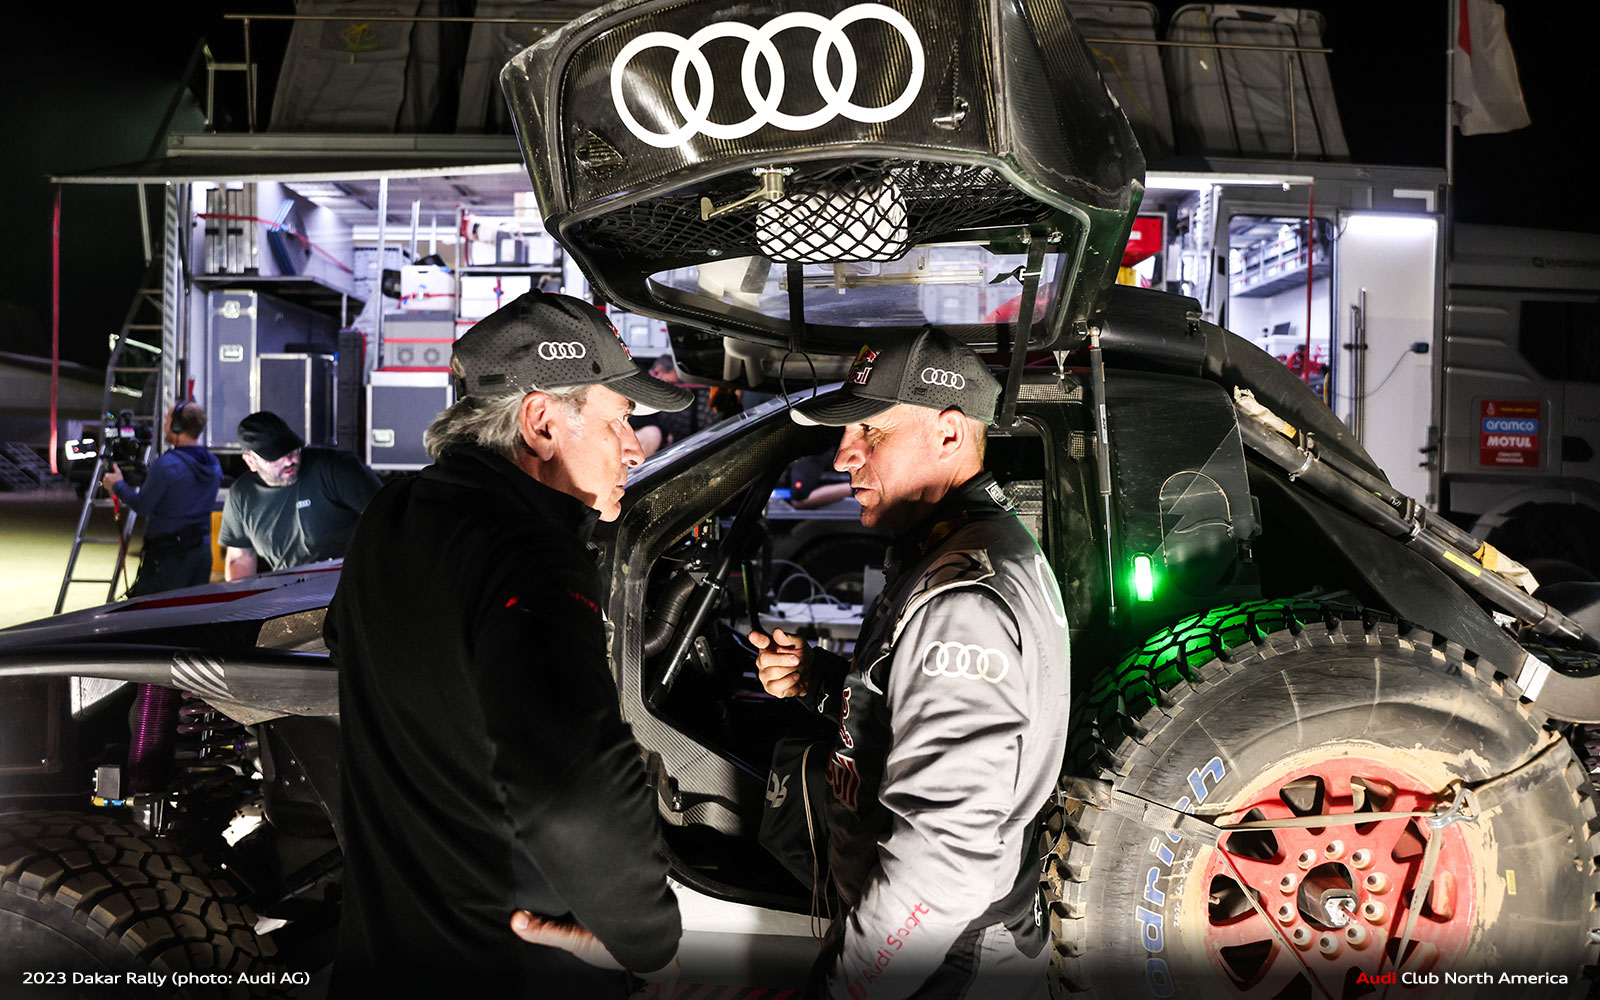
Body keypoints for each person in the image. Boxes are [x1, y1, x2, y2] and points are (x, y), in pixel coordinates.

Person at [325, 291, 692, 998]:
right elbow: (572, 794)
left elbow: (357, 653)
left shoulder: (391, 514)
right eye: (619, 420)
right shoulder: (530, 553)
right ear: (541, 422)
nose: (633, 448)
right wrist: (647, 942)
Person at [749, 330, 1071, 1000]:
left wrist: (851, 983)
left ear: (948, 434)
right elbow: (909, 713)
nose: (844, 455)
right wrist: (819, 682)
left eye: (870, 430)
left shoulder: (961, 598)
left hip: (942, 957)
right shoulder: (957, 549)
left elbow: (944, 864)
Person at [218, 411, 381, 579]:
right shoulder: (241, 496)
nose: (289, 460)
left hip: (352, 579)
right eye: (275, 456)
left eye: (293, 450)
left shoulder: (336, 468)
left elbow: (387, 519)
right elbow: (240, 559)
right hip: (291, 587)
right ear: (251, 462)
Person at [101, 402, 222, 595]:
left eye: (167, 420)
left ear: (178, 426)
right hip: (201, 553)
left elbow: (142, 506)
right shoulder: (213, 463)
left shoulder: (167, 464)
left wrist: (117, 486)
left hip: (169, 556)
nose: (165, 426)